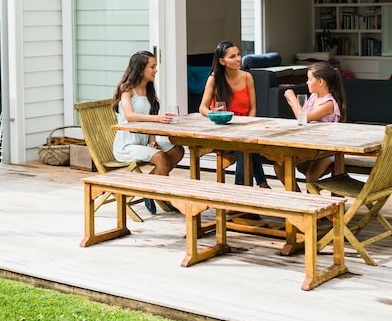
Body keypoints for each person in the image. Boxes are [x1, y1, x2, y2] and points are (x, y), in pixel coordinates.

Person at [112, 51, 185, 213]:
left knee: (177, 150)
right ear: (140, 69)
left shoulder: (149, 90)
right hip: (127, 146)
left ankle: (149, 188)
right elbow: (130, 116)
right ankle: (164, 196)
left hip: (144, 142)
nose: (156, 70)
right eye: (152, 67)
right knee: (161, 157)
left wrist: (152, 139)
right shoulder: (127, 89)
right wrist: (158, 119)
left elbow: (149, 116)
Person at [197, 41, 270, 189]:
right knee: (245, 147)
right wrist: (212, 113)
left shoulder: (247, 77)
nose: (238, 59)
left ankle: (246, 189)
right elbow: (202, 108)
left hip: (245, 129)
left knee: (245, 145)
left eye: (238, 55)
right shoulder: (214, 79)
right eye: (232, 56)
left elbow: (253, 109)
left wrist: (247, 127)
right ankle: (259, 184)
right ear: (222, 61)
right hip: (223, 131)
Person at [279, 61, 347, 188]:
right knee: (280, 166)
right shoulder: (312, 98)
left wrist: (292, 97)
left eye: (310, 79)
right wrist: (292, 101)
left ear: (320, 82)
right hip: (312, 145)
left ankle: (312, 203)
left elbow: (303, 118)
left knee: (311, 177)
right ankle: (298, 199)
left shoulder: (329, 103)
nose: (307, 82)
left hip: (328, 150)